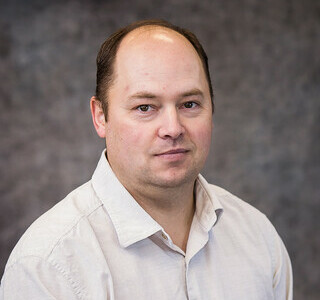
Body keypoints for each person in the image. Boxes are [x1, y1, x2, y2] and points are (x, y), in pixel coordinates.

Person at [0, 19, 293, 299]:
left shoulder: (258, 236)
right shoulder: (47, 266)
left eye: (190, 104)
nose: (173, 128)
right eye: (145, 107)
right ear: (100, 116)